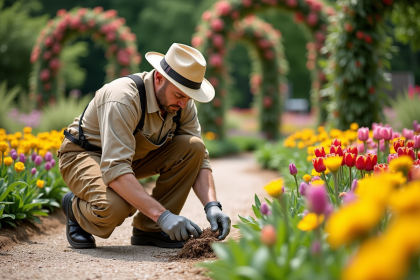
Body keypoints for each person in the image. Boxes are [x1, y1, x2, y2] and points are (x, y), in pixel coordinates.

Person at [58, 43, 231, 249]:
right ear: (159, 78)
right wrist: (163, 215)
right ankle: (74, 208)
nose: (184, 104)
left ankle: (150, 230)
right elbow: (115, 168)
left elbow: (199, 157)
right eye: (179, 95)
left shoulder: (181, 102)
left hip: (128, 159)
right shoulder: (123, 98)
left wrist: (212, 206)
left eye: (188, 96)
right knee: (116, 206)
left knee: (193, 146)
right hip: (84, 155)